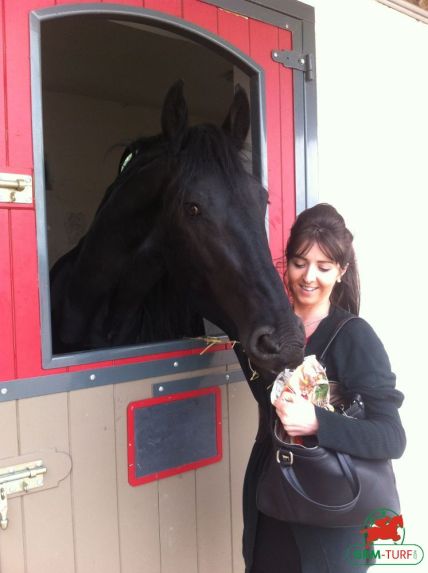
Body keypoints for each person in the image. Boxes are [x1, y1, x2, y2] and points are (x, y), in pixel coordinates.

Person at [242, 203, 406, 573]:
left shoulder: (354, 337)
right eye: (300, 262)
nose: (308, 277)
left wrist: (318, 423)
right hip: (270, 495)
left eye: (324, 266)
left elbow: (391, 437)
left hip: (331, 511)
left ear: (342, 272)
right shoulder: (267, 333)